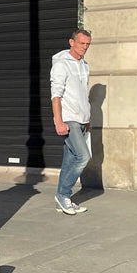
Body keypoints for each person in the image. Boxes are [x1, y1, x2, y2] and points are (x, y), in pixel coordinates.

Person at [50, 28, 92, 214]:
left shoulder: (84, 65)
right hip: (69, 119)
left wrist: (88, 119)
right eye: (82, 43)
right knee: (83, 157)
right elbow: (56, 95)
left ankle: (62, 197)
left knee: (69, 159)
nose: (85, 47)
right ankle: (63, 196)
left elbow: (83, 94)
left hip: (82, 119)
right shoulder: (61, 65)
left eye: (88, 44)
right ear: (72, 42)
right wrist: (58, 121)